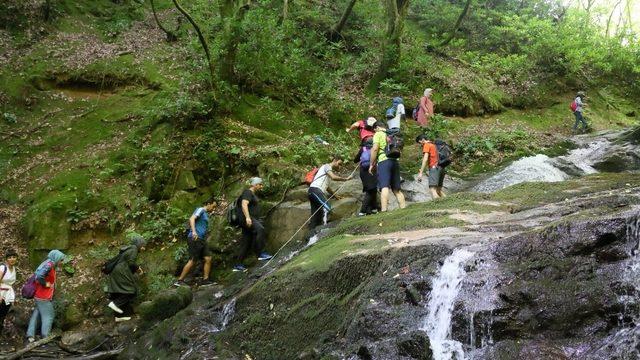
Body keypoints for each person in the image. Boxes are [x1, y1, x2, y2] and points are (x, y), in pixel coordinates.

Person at [26, 249, 66, 343]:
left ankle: (30, 335)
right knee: (49, 315)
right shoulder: (49, 265)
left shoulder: (48, 263)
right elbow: (39, 276)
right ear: (56, 258)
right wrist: (45, 284)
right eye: (61, 260)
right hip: (43, 296)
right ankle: (45, 337)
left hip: (39, 295)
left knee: (37, 314)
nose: (62, 262)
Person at [233, 177, 272, 272]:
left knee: (246, 242)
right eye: (260, 184)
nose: (261, 186)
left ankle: (238, 264)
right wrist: (247, 217)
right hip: (248, 219)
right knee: (260, 229)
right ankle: (260, 253)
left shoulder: (252, 194)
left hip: (248, 219)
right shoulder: (248, 192)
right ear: (255, 185)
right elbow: (244, 204)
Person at [174, 202, 216, 286]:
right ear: (208, 204)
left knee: (208, 258)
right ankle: (180, 280)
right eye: (213, 206)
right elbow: (192, 218)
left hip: (201, 239)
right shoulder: (200, 209)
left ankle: (206, 280)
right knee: (193, 260)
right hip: (195, 238)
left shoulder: (205, 214)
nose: (213, 209)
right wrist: (194, 232)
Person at [369, 120, 406, 212]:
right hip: (395, 161)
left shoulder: (378, 134)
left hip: (384, 161)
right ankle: (403, 208)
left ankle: (384, 210)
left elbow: (375, 149)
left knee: (384, 186)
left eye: (374, 130)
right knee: (397, 189)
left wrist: (371, 164)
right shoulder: (393, 135)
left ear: (376, 127)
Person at [106, 236, 146, 322]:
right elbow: (131, 263)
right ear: (139, 244)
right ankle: (115, 304)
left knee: (120, 293)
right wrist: (138, 268)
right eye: (143, 245)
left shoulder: (128, 249)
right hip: (121, 272)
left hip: (116, 272)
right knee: (131, 291)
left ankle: (119, 316)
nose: (144, 248)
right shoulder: (134, 249)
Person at [308, 155, 353, 229]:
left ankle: (312, 235)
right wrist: (346, 179)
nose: (340, 167)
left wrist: (335, 195)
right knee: (327, 207)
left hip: (312, 191)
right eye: (339, 164)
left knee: (316, 215)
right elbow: (333, 177)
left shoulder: (325, 172)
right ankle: (324, 230)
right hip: (316, 190)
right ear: (335, 160)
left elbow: (327, 187)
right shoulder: (327, 166)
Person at [348, 117, 379, 216]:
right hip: (372, 168)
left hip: (363, 170)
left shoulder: (363, 149)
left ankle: (372, 209)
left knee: (371, 189)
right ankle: (363, 211)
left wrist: (349, 130)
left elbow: (355, 160)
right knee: (372, 190)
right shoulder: (375, 148)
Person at [416, 134, 446, 199]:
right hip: (441, 167)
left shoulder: (426, 145)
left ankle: (437, 207)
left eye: (420, 142)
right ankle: (450, 203)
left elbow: (425, 159)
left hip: (434, 168)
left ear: (423, 140)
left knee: (432, 189)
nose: (420, 145)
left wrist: (421, 172)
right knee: (439, 190)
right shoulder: (434, 145)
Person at [0, 249, 18, 335]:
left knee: (3, 315)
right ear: (6, 259)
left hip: (8, 294)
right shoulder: (3, 268)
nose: (12, 259)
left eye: (14, 257)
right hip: (1, 294)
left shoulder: (14, 268)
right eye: (10, 257)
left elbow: (11, 283)